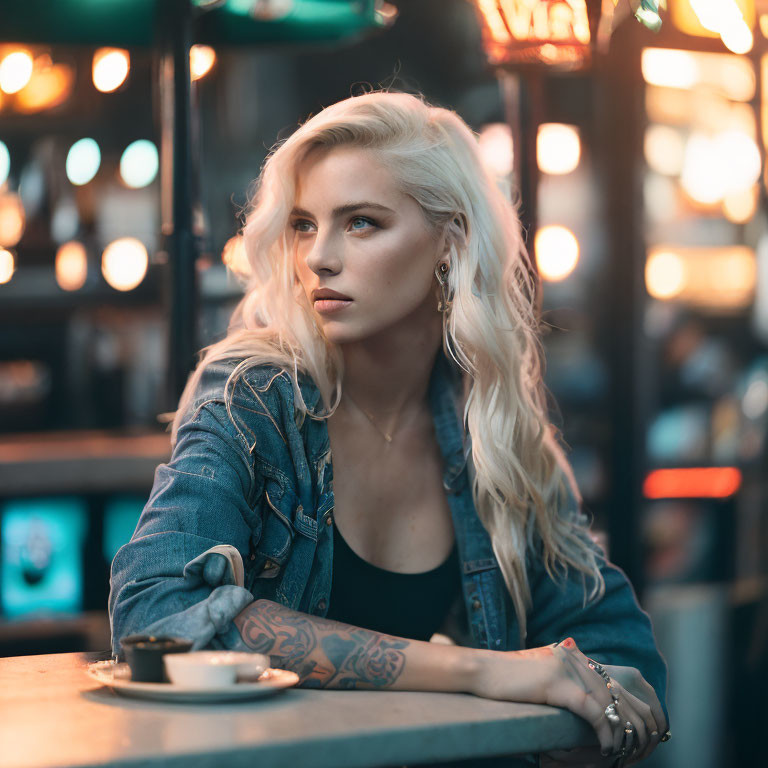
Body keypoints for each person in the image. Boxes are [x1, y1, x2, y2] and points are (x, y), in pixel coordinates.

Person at [109, 89, 670, 768]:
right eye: (303, 225)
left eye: (362, 223)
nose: (319, 257)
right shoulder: (255, 398)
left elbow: (620, 655)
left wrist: (582, 722)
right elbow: (156, 609)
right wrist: (483, 671)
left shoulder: (487, 426)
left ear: (449, 240)